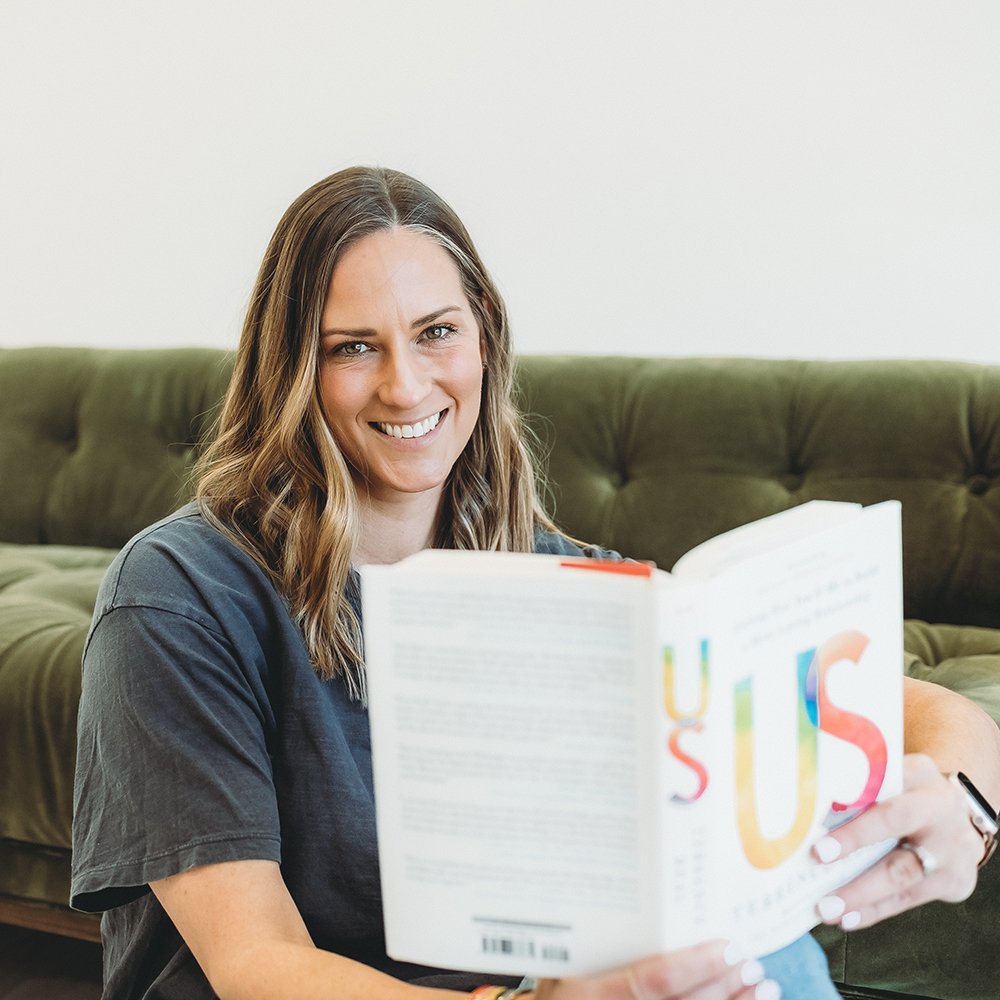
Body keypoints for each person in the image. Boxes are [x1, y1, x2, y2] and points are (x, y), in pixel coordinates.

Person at [71, 167, 1000, 1000]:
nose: (406, 385)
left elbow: (929, 713)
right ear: (290, 369)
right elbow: (257, 968)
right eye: (353, 347)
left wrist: (963, 810)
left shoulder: (562, 576)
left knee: (764, 956)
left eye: (437, 332)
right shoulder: (179, 595)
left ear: (484, 340)